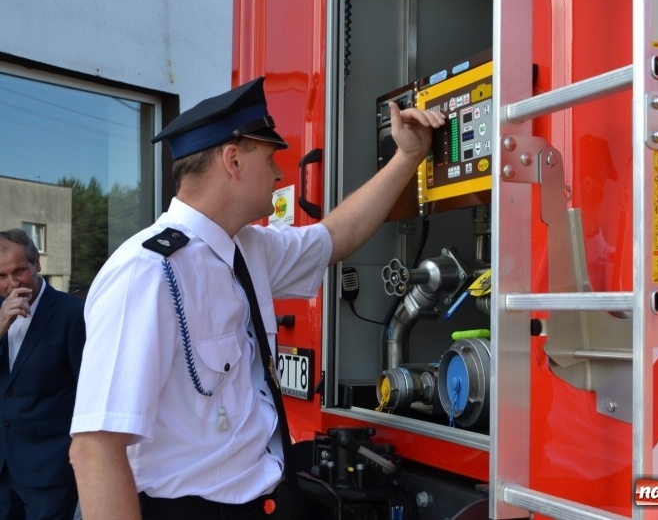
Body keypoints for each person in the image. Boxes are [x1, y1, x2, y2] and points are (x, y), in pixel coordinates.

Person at [68, 77, 445, 520]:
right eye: (270, 157)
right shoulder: (146, 273)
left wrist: (408, 156)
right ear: (233, 161)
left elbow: (335, 237)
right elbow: (95, 448)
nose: (281, 174)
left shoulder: (248, 248)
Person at [0, 228, 86, 520]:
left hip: (50, 469)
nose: (12, 284)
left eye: (20, 271)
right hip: (3, 466)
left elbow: (88, 392)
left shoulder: (72, 314)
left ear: (37, 264)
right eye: (1, 277)